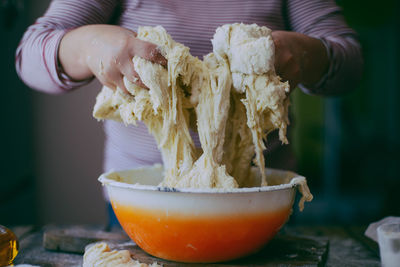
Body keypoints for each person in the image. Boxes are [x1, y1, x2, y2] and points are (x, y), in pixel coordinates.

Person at [16, 0, 362, 225]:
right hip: (145, 203)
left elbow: (351, 62)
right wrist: (90, 44)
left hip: (259, 202)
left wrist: (303, 54)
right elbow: (30, 55)